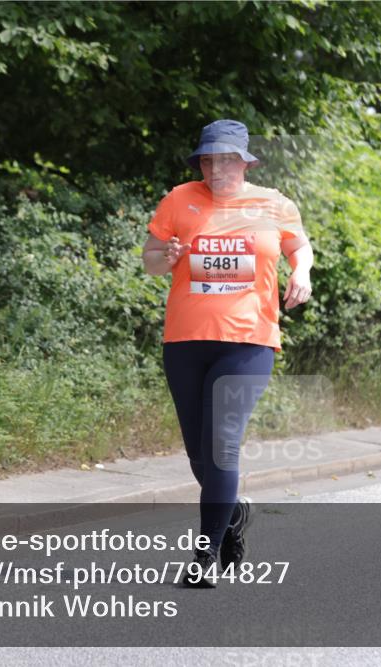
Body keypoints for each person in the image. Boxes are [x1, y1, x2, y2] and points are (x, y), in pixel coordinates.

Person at [141, 119, 314, 588]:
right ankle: (233, 512)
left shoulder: (274, 203)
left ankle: (204, 555)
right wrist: (169, 258)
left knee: (222, 445)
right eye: (208, 159)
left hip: (249, 340)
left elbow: (302, 247)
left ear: (245, 161)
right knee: (200, 454)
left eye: (226, 159)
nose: (216, 167)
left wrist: (303, 274)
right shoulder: (179, 199)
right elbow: (150, 261)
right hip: (185, 340)